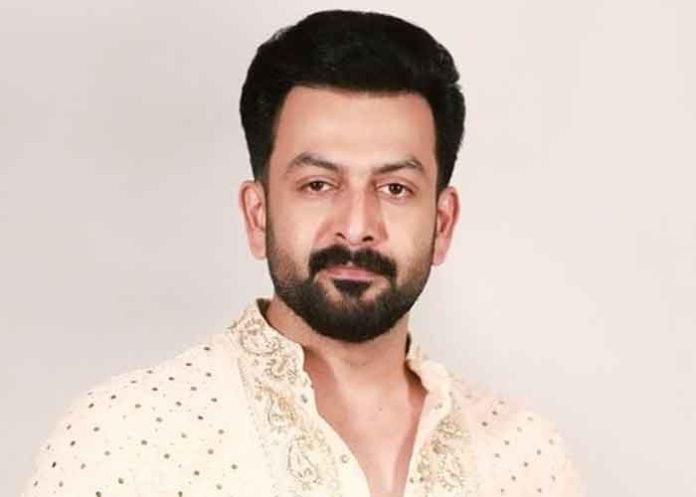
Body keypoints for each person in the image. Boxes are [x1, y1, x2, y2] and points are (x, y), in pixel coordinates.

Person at [22, 10, 584, 497]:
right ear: (258, 214)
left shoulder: (525, 457)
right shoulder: (126, 438)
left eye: (395, 189)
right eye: (318, 185)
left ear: (442, 224)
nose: (356, 228)